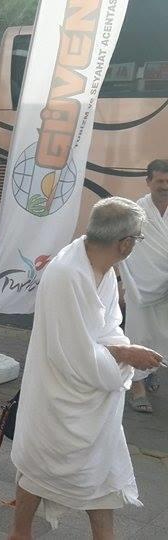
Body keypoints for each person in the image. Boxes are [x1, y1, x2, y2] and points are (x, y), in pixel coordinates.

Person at [10, 197, 163, 538]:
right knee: (40, 466)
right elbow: (73, 353)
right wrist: (127, 354)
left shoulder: (101, 268)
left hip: (95, 397)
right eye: (138, 239)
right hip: (60, 392)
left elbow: (106, 328)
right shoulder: (67, 274)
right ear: (125, 244)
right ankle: (20, 533)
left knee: (102, 472)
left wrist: (122, 350)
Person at [121, 159, 168, 414]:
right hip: (140, 286)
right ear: (148, 181)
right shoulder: (135, 212)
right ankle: (137, 388)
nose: (165, 186)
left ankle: (151, 369)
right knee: (138, 334)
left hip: (166, 290)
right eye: (160, 180)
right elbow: (125, 248)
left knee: (162, 335)